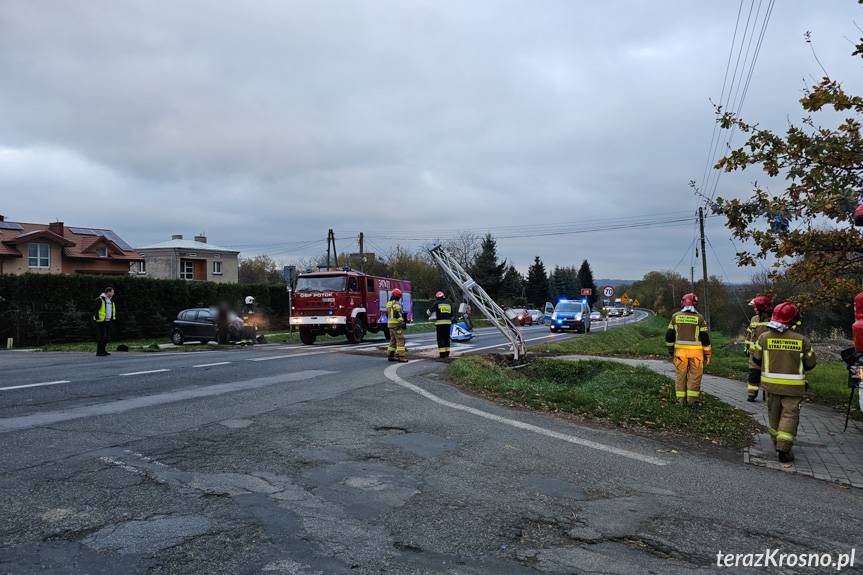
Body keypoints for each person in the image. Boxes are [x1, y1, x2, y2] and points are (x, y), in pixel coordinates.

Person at [750, 302, 817, 463]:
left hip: (771, 387)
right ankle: (784, 449)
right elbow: (810, 364)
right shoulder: (802, 340)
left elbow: (756, 359)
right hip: (794, 389)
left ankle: (776, 443)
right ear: (793, 320)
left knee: (774, 416)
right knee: (790, 415)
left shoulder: (764, 338)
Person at [665, 293, 712, 406]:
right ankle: (692, 402)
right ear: (695, 304)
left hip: (680, 353)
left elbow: (669, 336)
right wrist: (708, 354)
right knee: (695, 377)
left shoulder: (675, 317)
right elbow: (705, 338)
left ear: (683, 303)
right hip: (696, 354)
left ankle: (680, 401)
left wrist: (671, 351)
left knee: (680, 376)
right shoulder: (700, 318)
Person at [744, 295, 773, 402]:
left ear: (762, 308)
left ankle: (767, 395)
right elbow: (749, 333)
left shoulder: (773, 319)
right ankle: (751, 394)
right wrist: (747, 346)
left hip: (768, 353)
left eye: (755, 307)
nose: (754, 309)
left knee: (768, 375)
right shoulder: (754, 319)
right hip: (754, 352)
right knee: (753, 374)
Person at [427, 291, 453, 358]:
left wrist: (428, 314)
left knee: (440, 338)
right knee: (447, 338)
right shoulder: (448, 303)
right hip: (448, 324)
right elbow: (452, 314)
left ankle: (442, 354)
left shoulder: (437, 303)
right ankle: (447, 353)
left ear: (437, 297)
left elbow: (429, 312)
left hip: (440, 324)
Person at [92, 286, 116, 357]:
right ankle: (99, 352)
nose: (113, 293)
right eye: (112, 292)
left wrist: (112, 318)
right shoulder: (100, 299)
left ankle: (103, 350)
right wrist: (97, 319)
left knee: (106, 337)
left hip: (108, 321)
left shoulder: (110, 300)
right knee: (101, 336)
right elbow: (95, 309)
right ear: (108, 292)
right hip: (101, 321)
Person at [386, 288, 408, 362]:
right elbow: (397, 314)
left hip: (390, 325)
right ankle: (401, 357)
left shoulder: (388, 303)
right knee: (400, 340)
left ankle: (390, 355)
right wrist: (402, 322)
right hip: (396, 325)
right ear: (398, 296)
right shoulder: (396, 304)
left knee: (393, 340)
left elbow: (388, 314)